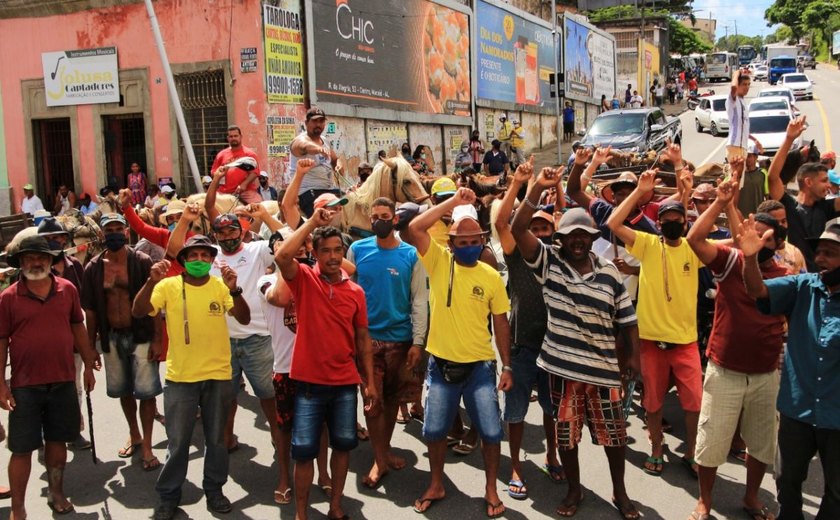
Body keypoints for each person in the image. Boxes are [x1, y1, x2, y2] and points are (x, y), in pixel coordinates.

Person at [513, 164, 641, 519]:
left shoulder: (610, 271)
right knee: (567, 437)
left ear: (591, 236)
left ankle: (620, 492)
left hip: (603, 372)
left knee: (614, 438)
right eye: (572, 235)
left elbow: (627, 321)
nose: (579, 240)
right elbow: (517, 228)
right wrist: (537, 188)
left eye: (585, 234)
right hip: (562, 371)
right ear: (562, 238)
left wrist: (633, 360)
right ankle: (574, 490)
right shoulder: (548, 263)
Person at [405, 187, 512, 519]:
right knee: (434, 431)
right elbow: (415, 228)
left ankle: (491, 487)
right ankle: (437, 483)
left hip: (481, 367)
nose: (468, 247)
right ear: (450, 244)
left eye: (474, 241)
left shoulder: (491, 276)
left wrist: (506, 365)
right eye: (461, 242)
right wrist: (454, 202)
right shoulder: (437, 261)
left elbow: (501, 323)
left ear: (482, 242)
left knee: (492, 433)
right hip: (441, 366)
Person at [686, 180, 788, 520]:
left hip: (765, 374)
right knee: (712, 441)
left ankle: (751, 498)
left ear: (778, 244)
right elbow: (695, 240)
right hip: (725, 369)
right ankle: (705, 501)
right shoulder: (729, 261)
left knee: (761, 444)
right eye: (752, 233)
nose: (756, 240)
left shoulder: (785, 276)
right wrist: (720, 201)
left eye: (765, 237)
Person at [132, 235, 250, 520]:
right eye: (193, 255)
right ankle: (169, 497)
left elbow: (243, 318)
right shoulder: (168, 286)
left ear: (212, 260)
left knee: (217, 440)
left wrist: (235, 291)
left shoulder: (220, 286)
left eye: (204, 256)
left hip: (219, 375)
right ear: (183, 260)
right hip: (181, 378)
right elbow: (139, 311)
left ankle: (215, 490)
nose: (199, 261)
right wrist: (150, 281)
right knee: (178, 442)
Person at [274, 208, 378, 520]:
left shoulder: (356, 292)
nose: (333, 257)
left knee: (343, 447)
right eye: (326, 251)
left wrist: (369, 382)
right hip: (308, 384)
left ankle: (335, 506)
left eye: (337, 251)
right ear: (315, 254)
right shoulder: (304, 279)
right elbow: (282, 258)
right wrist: (311, 224)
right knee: (304, 452)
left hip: (345, 384)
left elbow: (363, 341)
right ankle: (302, 513)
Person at [740, 216, 840, 520]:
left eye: (830, 252)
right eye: (818, 251)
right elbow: (758, 291)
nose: (820, 258)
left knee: (837, 492)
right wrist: (749, 259)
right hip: (798, 409)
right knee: (786, 480)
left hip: (836, 417)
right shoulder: (803, 286)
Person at [607, 168, 704, 479]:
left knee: (694, 404)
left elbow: (726, 239)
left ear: (685, 222)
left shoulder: (694, 248)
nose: (673, 223)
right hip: (650, 342)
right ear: (659, 223)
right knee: (652, 403)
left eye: (678, 218)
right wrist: (640, 192)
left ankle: (691, 452)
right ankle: (657, 448)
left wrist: (701, 197)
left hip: (686, 342)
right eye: (667, 219)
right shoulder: (648, 244)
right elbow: (613, 223)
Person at [168, 205, 284, 458]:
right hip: (220, 340)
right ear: (215, 236)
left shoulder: (257, 249)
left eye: (232, 231)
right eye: (221, 233)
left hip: (258, 338)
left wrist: (265, 216)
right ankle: (226, 438)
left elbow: (285, 239)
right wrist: (186, 219)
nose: (228, 237)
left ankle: (278, 436)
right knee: (226, 396)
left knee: (268, 394)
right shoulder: (209, 256)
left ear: (241, 231)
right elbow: (174, 250)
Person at [0, 235, 98, 519]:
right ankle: (18, 508)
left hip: (64, 380)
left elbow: (78, 326)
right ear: (19, 263)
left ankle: (57, 492)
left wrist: (89, 365)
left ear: (50, 261)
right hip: (24, 386)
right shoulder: (7, 298)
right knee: (21, 448)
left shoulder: (67, 289)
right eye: (29, 258)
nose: (35, 262)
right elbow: (2, 341)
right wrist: (1, 386)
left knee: (57, 441)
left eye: (41, 257)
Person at [494, 163, 565, 501]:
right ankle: (517, 467)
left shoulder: (559, 259)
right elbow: (501, 223)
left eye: (545, 228)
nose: (538, 233)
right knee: (516, 412)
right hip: (523, 346)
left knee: (552, 411)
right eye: (533, 227)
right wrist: (521, 184)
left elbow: (566, 215)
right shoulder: (516, 257)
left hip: (554, 348)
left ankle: (551, 454)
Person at [347, 197, 428, 489]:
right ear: (370, 221)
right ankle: (379, 459)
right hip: (367, 341)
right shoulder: (357, 250)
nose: (380, 220)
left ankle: (384, 451)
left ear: (394, 220)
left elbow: (419, 300)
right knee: (372, 402)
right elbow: (348, 291)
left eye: (385, 215)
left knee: (393, 400)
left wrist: (418, 341)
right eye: (375, 216)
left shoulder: (410, 255)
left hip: (400, 340)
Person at [81, 213, 161, 469]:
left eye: (118, 229)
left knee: (147, 392)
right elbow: (91, 311)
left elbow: (156, 304)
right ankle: (134, 434)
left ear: (126, 232)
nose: (114, 233)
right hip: (112, 337)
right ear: (103, 234)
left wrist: (158, 339)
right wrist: (90, 348)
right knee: (123, 390)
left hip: (141, 335)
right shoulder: (93, 267)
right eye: (109, 230)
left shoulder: (141, 261)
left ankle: (147, 445)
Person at [37, 217, 91, 449]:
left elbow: (82, 303)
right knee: (44, 386)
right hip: (43, 342)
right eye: (49, 239)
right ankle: (43, 431)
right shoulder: (33, 270)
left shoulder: (74, 266)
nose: (55, 242)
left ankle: (73, 431)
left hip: (71, 339)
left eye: (58, 238)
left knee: (74, 386)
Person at [767, 116, 840, 271]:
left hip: (819, 278)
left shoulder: (824, 208)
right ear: (808, 182)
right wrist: (788, 139)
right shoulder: (788, 205)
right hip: (795, 276)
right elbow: (773, 177)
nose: (828, 185)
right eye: (824, 181)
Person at [290, 107, 339, 216]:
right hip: (307, 192)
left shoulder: (324, 140)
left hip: (328, 190)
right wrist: (319, 149)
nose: (318, 124)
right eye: (315, 121)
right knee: (325, 218)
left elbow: (335, 159)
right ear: (306, 123)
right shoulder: (300, 139)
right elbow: (304, 145)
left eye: (321, 121)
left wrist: (338, 165)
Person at [211, 125, 262, 204]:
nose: (233, 138)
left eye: (235, 136)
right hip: (224, 192)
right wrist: (219, 173)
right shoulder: (221, 155)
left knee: (259, 208)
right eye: (231, 136)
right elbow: (214, 172)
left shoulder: (249, 154)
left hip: (246, 192)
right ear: (228, 138)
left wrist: (244, 184)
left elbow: (255, 172)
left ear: (241, 137)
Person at [757, 199, 808, 275]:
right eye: (776, 222)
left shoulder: (794, 252)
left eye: (783, 221)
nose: (781, 225)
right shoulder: (757, 252)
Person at [735, 140, 768, 217]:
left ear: (756, 157)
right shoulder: (736, 174)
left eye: (749, 156)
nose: (747, 159)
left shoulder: (763, 173)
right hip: (740, 216)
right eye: (745, 156)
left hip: (758, 215)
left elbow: (767, 194)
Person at [726, 69, 752, 163]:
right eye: (744, 84)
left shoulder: (743, 102)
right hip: (735, 145)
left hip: (743, 146)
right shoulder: (733, 99)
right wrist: (736, 74)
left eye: (748, 84)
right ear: (739, 85)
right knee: (736, 176)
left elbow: (743, 127)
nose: (747, 87)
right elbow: (733, 87)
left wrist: (755, 140)